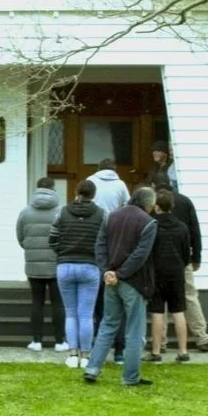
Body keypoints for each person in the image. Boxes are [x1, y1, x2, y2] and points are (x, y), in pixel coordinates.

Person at [83, 187, 158, 387]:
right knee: (134, 330)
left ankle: (92, 368)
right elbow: (140, 254)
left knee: (108, 324)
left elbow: (99, 245)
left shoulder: (111, 216)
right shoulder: (148, 222)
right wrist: (120, 274)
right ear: (149, 204)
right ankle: (130, 377)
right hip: (133, 281)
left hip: (111, 279)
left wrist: (107, 271)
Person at [151, 172, 208, 352]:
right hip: (182, 260)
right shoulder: (185, 201)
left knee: (158, 305)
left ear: (154, 186)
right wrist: (196, 257)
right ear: (170, 183)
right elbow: (195, 230)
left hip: (159, 263)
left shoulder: (153, 205)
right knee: (189, 297)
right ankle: (201, 337)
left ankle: (159, 344)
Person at [50, 179, 105, 369]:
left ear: (77, 192)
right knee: (86, 315)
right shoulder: (101, 214)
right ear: (93, 194)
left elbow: (52, 239)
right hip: (90, 266)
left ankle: (72, 354)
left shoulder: (63, 212)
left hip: (65, 266)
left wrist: (62, 253)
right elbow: (105, 241)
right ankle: (86, 356)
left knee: (71, 313)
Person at [87, 159, 130, 363]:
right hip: (117, 240)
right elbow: (127, 207)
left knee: (97, 304)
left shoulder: (90, 181)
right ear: (114, 169)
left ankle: (96, 347)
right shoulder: (120, 184)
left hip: (95, 243)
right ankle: (120, 351)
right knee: (116, 304)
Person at [16, 177, 66, 352]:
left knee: (37, 302)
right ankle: (60, 341)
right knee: (57, 303)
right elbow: (65, 237)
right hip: (55, 263)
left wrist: (31, 250)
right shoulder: (61, 211)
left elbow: (21, 237)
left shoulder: (25, 212)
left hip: (33, 264)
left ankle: (36, 341)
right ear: (53, 188)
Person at [146, 189, 192, 363]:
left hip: (157, 273)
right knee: (178, 311)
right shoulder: (181, 227)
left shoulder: (151, 225)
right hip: (176, 272)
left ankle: (156, 351)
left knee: (157, 312)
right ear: (171, 206)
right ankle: (183, 351)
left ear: (156, 207)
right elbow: (186, 254)